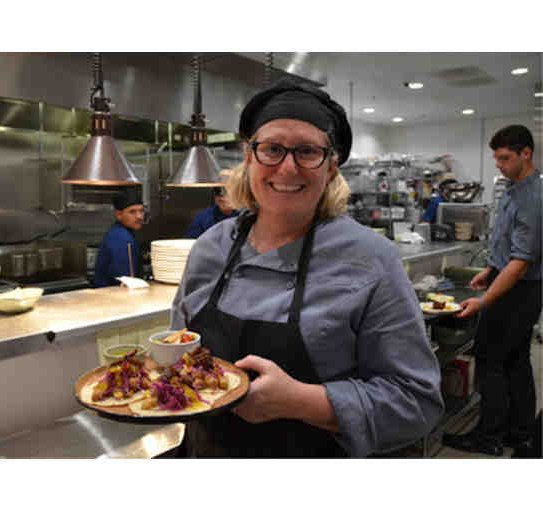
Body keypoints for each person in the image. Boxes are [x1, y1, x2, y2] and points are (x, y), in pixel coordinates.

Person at [170, 76, 444, 458]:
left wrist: (300, 401)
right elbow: (179, 352)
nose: (287, 168)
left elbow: (417, 402)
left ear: (330, 167)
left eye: (307, 151)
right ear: (249, 157)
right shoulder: (209, 248)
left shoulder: (371, 259)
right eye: (272, 149)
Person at [444, 125, 542, 456]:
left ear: (526, 154)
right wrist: (490, 269)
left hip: (519, 290)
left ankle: (488, 435)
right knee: (515, 359)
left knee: (489, 359)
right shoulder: (515, 189)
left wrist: (484, 300)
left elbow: (521, 262)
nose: (499, 165)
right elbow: (510, 248)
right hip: (513, 282)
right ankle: (520, 431)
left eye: (505, 158)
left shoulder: (531, 198)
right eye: (496, 158)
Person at [89, 189, 144, 288]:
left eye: (141, 211)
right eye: (132, 212)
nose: (139, 216)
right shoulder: (122, 238)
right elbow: (128, 282)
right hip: (112, 295)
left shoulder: (118, 231)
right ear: (119, 214)